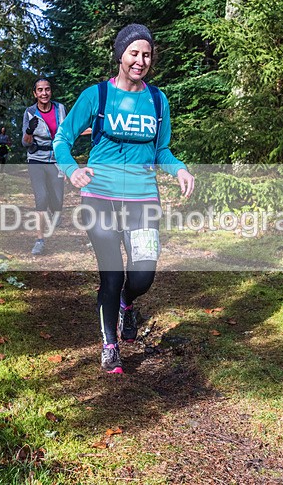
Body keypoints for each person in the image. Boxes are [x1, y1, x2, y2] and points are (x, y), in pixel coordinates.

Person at [53, 24, 194, 374]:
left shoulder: (158, 100)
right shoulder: (97, 96)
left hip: (143, 198)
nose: (140, 61)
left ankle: (127, 305)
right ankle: (110, 345)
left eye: (147, 55)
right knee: (112, 274)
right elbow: (62, 139)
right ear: (120, 55)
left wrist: (179, 169)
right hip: (99, 196)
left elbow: (161, 150)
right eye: (134, 53)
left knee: (143, 276)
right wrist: (71, 170)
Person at [21, 77, 68, 256]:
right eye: (40, 90)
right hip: (36, 158)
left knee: (57, 201)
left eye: (47, 89)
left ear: (51, 91)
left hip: (56, 159)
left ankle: (55, 211)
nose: (44, 93)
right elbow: (25, 143)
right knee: (41, 198)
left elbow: (68, 133)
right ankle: (40, 240)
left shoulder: (60, 109)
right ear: (35, 93)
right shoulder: (30, 112)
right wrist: (29, 131)